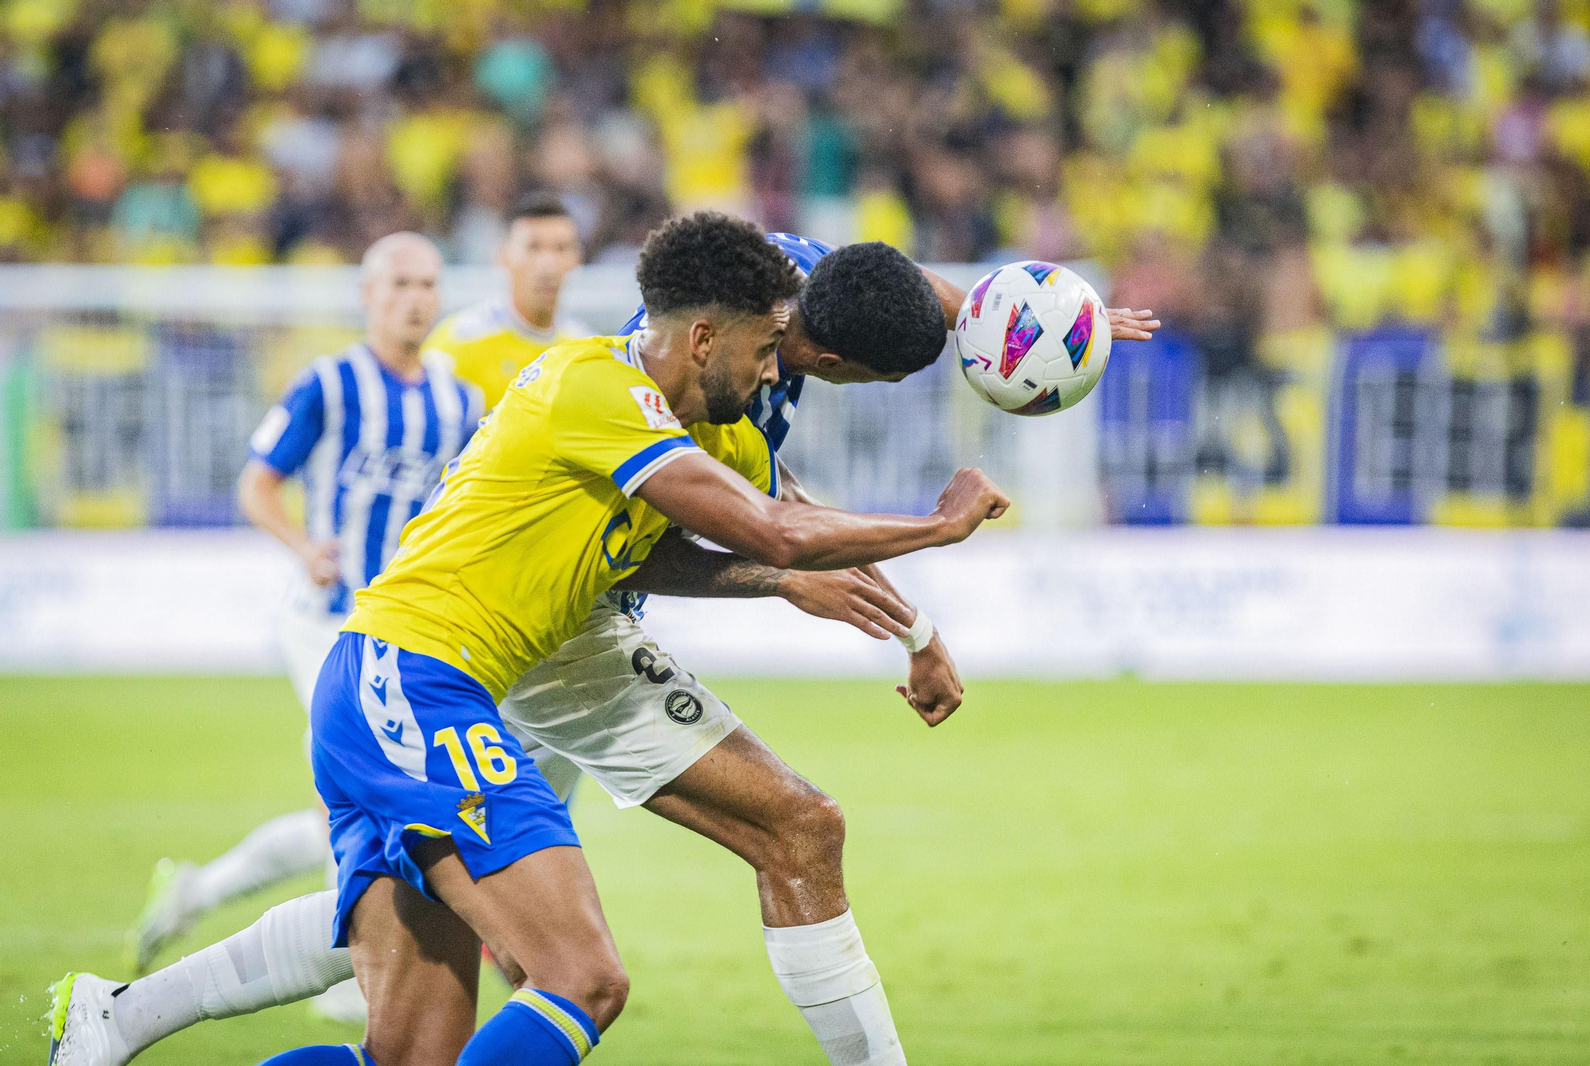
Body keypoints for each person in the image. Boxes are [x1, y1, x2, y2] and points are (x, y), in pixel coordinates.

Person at [47, 234, 1154, 1066]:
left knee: (409, 1037)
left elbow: (698, 547)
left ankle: (119, 1016)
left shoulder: (721, 381)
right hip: (417, 669)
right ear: (732, 332)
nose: (781, 378)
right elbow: (772, 527)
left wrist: (1043, 312)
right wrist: (937, 523)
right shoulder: (606, 387)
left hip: (500, 654)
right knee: (574, 969)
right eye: (777, 355)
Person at [121, 232, 483, 1021]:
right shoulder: (330, 382)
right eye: (399, 284)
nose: (415, 297)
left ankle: (197, 891)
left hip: (408, 626)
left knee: (346, 807)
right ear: (368, 296)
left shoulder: (460, 400)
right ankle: (360, 976)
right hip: (325, 621)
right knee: (373, 784)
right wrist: (302, 545)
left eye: (428, 282)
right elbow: (258, 484)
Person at [425, 192, 591, 412]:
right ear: (503, 256)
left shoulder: (583, 347)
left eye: (561, 248)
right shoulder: (460, 340)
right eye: (533, 247)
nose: (548, 263)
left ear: (577, 259)